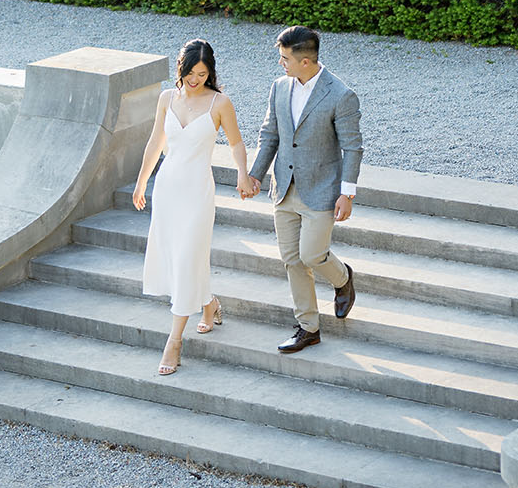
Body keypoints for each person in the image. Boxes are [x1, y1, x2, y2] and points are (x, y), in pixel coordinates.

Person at [239, 24, 361, 354]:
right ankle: (308, 327)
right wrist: (255, 175)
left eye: (284, 58)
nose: (281, 64)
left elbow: (352, 147)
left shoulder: (340, 95)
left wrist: (346, 193)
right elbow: (270, 135)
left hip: (322, 189)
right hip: (284, 189)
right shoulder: (280, 88)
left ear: (304, 61)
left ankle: (342, 278)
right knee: (292, 260)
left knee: (311, 255)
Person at [133, 38, 250, 377]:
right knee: (177, 257)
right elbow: (156, 142)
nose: (195, 80)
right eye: (190, 73)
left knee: (187, 258)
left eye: (202, 73)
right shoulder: (167, 98)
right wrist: (142, 182)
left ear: (210, 73)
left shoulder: (219, 103)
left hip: (198, 192)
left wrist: (243, 174)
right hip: (168, 188)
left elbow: (237, 142)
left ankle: (173, 341)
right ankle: (209, 304)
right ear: (180, 69)